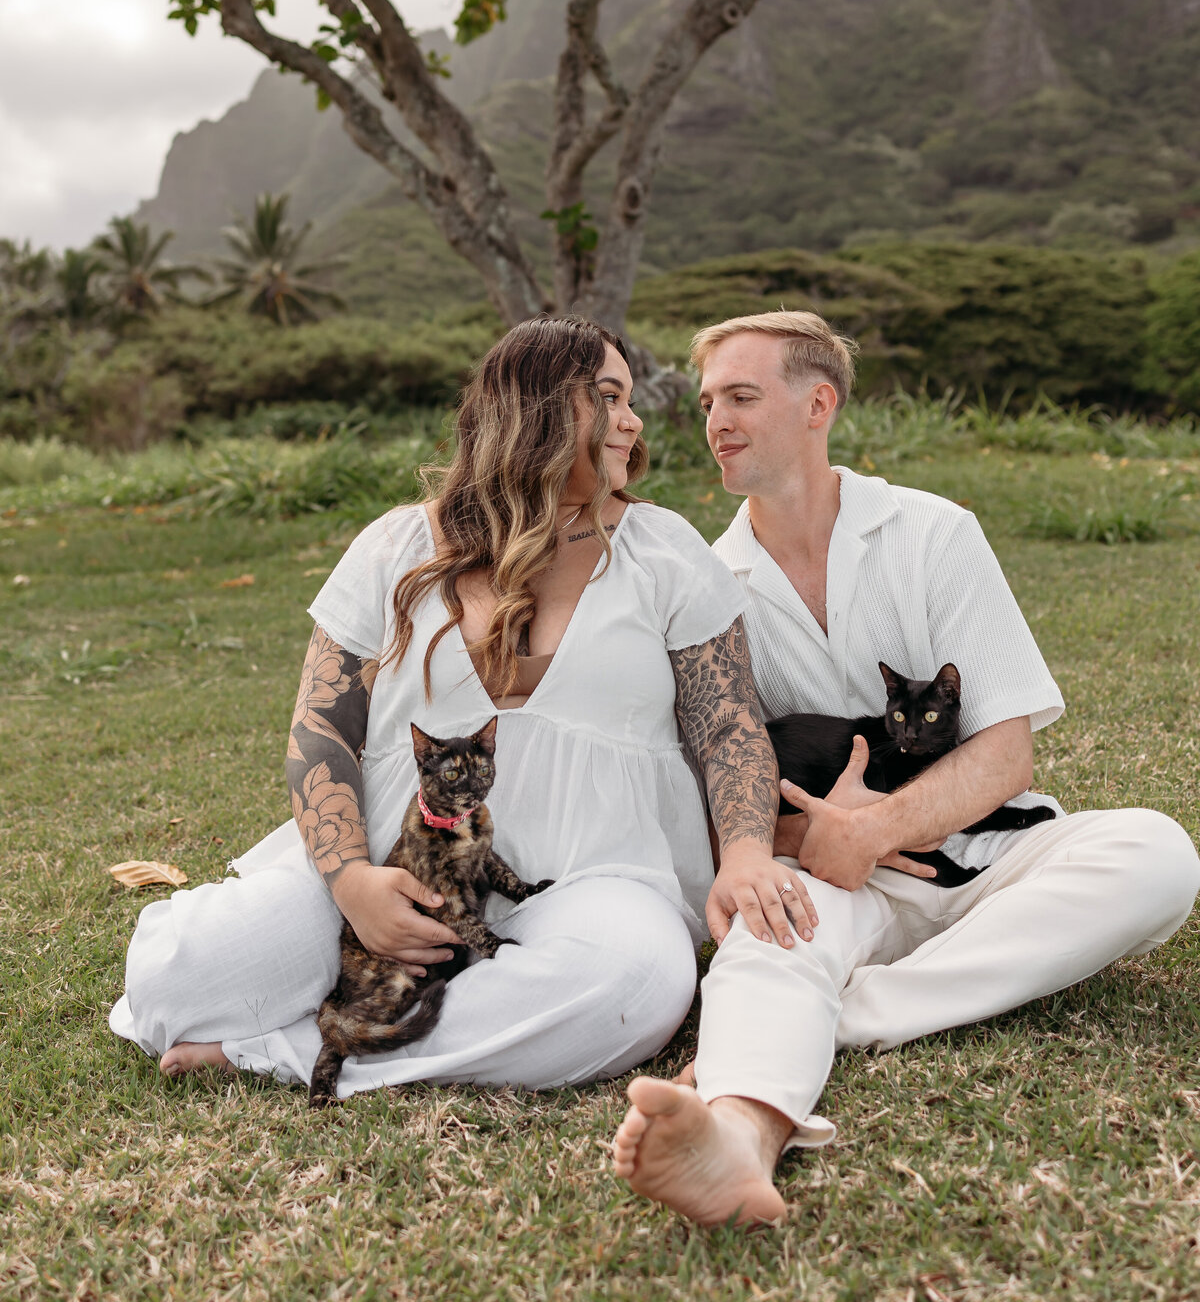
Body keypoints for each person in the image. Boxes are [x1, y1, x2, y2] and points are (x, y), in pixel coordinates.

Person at [110, 316, 815, 1097]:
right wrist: (351, 884)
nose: (634, 420)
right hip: (394, 868)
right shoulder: (394, 547)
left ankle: (296, 1045)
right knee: (174, 979)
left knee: (637, 983)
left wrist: (748, 849)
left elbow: (728, 726)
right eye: (609, 397)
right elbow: (321, 731)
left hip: (591, 880)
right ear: (538, 410)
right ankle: (367, 1005)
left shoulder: (664, 550)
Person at [613, 310, 1200, 1225]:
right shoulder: (705, 582)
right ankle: (736, 1137)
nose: (713, 420)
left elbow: (1007, 750)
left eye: (739, 396)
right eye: (704, 402)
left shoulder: (934, 532)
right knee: (768, 935)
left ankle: (844, 1015)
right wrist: (812, 839)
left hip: (989, 862)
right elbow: (718, 780)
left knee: (1157, 852)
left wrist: (875, 827)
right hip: (832, 876)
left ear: (819, 403)